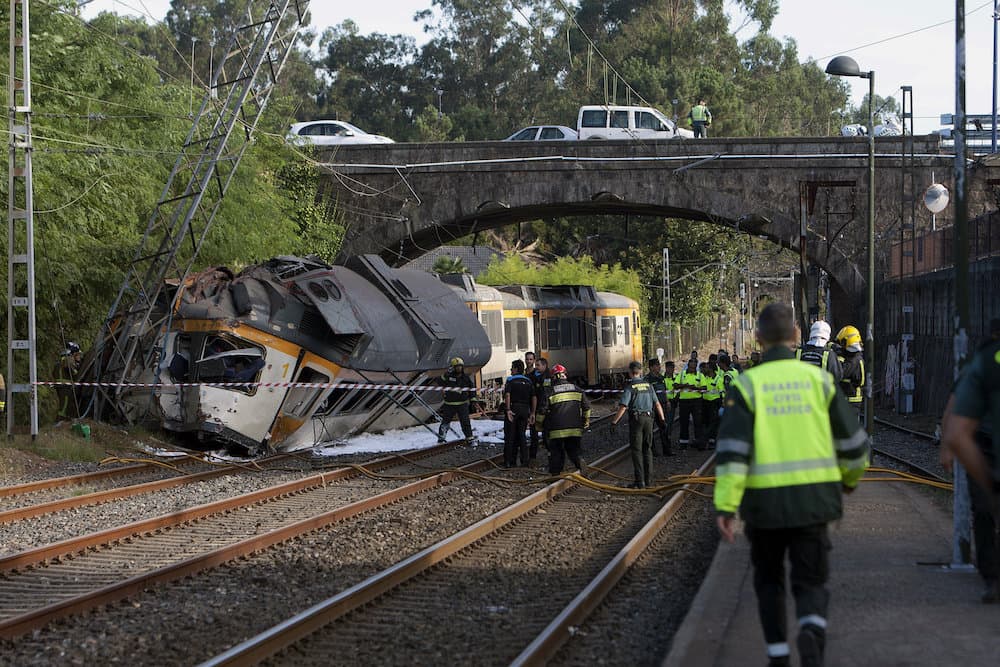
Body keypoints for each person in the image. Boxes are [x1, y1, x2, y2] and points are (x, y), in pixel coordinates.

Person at [715, 303, 869, 667]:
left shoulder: (747, 384)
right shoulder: (820, 382)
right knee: (811, 580)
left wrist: (725, 506)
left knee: (769, 581)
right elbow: (854, 446)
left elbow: (733, 453)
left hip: (763, 508)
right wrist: (847, 483)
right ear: (796, 337)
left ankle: (778, 655)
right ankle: (812, 629)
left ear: (758, 338)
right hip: (815, 501)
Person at [942, 318, 1000, 603]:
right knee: (985, 513)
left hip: (982, 448)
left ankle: (991, 578)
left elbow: (953, 408)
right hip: (984, 446)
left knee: (985, 513)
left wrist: (949, 446)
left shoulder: (979, 363)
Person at [611, 361, 666, 489]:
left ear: (630, 372)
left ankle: (639, 482)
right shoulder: (648, 386)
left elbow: (623, 407)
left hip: (637, 420)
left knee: (637, 451)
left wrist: (614, 422)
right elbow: (657, 404)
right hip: (649, 419)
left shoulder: (631, 387)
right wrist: (662, 420)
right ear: (640, 371)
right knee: (648, 449)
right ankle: (649, 481)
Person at [545, 364, 591, 475]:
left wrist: (538, 425)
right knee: (573, 451)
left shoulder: (550, 392)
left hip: (556, 431)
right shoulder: (577, 389)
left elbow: (542, 411)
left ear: (554, 377)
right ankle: (580, 462)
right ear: (565, 375)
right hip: (575, 429)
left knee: (556, 452)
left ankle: (555, 475)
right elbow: (587, 407)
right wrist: (586, 421)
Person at [502, 359, 535, 468]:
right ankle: (524, 460)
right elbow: (534, 397)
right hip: (525, 409)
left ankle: (509, 461)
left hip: (514, 408)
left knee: (510, 435)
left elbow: (507, 395)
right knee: (522, 435)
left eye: (512, 368)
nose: (511, 370)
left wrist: (507, 410)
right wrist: (532, 412)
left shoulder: (510, 380)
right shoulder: (528, 381)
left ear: (516, 369)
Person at [437, 356, 476, 444]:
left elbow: (471, 389)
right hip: (449, 404)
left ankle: (469, 438)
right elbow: (439, 381)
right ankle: (441, 438)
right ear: (453, 367)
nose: (459, 368)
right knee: (445, 422)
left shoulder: (465, 378)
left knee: (465, 422)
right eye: (457, 366)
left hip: (462, 404)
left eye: (460, 366)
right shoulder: (448, 376)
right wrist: (446, 374)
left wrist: (473, 399)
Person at [645, 358, 675, 456]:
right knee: (650, 430)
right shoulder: (647, 379)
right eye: (657, 365)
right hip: (652, 406)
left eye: (659, 365)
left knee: (664, 427)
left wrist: (667, 402)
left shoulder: (661, 378)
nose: (659, 367)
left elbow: (664, 390)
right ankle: (653, 451)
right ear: (651, 367)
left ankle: (667, 450)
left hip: (662, 405)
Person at [676, 357, 705, 449]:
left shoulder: (700, 376)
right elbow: (675, 385)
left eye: (694, 367)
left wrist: (695, 388)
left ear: (696, 367)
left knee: (698, 422)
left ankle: (698, 442)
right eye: (691, 367)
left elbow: (704, 388)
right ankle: (683, 443)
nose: (692, 369)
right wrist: (685, 386)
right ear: (688, 366)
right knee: (684, 422)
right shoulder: (681, 375)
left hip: (697, 401)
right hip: (684, 401)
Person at [834, 325, 865, 410]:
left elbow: (840, 372)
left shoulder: (854, 359)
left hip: (851, 399)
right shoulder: (853, 357)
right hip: (849, 399)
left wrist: (837, 354)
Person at [529, 356, 550, 463]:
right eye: (535, 365)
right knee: (534, 435)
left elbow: (545, 395)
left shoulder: (547, 377)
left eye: (538, 365)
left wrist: (543, 409)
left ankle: (551, 455)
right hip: (534, 409)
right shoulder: (533, 376)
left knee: (546, 435)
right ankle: (532, 457)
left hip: (544, 410)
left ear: (544, 366)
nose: (536, 367)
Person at [54, 342, 83, 420]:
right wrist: (77, 372)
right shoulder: (68, 359)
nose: (79, 357)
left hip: (60, 385)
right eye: (77, 354)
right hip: (65, 386)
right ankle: (61, 419)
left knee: (64, 403)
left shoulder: (60, 360)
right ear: (73, 353)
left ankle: (63, 418)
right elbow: (72, 370)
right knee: (65, 404)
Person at [702, 354, 724, 448]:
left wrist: (723, 402)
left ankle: (712, 441)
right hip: (705, 402)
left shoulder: (718, 379)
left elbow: (722, 392)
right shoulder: (705, 378)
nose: (704, 369)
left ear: (710, 369)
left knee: (713, 422)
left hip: (714, 403)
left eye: (706, 368)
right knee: (706, 422)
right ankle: (708, 440)